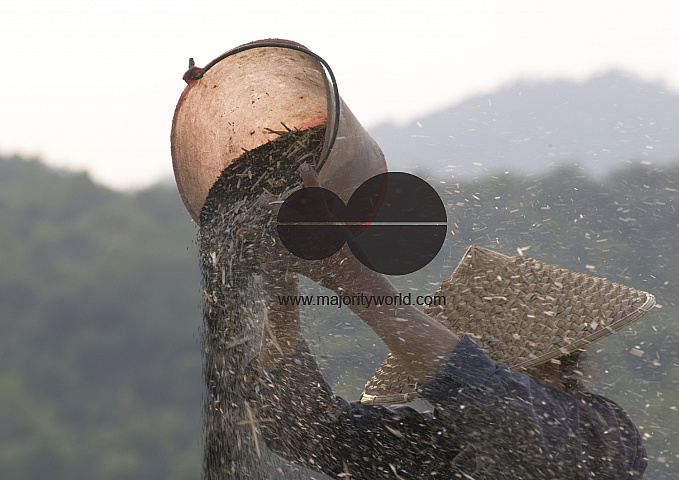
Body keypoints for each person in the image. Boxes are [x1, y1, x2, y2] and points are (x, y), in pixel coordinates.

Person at [239, 163, 649, 479]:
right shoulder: (443, 444)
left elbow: (496, 404)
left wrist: (350, 275)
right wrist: (280, 286)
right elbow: (306, 431)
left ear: (552, 364)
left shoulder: (604, 435)